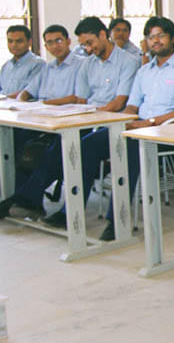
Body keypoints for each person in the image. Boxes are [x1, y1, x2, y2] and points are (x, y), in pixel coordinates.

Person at [3, 16, 141, 228]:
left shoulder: (128, 62)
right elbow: (82, 100)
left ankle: (37, 199)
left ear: (103, 35)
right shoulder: (89, 64)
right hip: (88, 119)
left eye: (90, 42)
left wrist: (89, 112)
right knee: (59, 144)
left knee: (74, 147)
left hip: (112, 122)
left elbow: (118, 103)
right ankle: (42, 201)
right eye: (83, 44)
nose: (87, 48)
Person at [84, 17, 174, 240]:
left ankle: (116, 221)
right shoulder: (144, 71)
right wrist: (121, 123)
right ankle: (68, 211)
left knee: (130, 151)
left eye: (161, 36)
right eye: (151, 37)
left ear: (173, 39)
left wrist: (149, 123)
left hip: (167, 130)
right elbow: (132, 106)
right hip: (138, 127)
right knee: (86, 145)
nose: (155, 41)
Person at [0, 25, 45, 98]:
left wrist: (5, 98)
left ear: (29, 42)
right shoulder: (6, 66)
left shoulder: (38, 64)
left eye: (19, 41)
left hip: (25, 107)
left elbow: (31, 91)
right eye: (10, 41)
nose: (14, 45)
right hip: (5, 107)